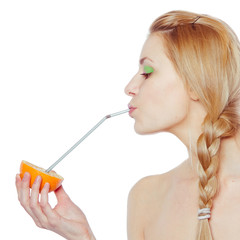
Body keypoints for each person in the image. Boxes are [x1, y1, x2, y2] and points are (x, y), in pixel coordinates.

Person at [16, 10, 240, 240]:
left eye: (148, 72)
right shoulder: (146, 197)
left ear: (197, 82)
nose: (129, 87)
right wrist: (83, 236)